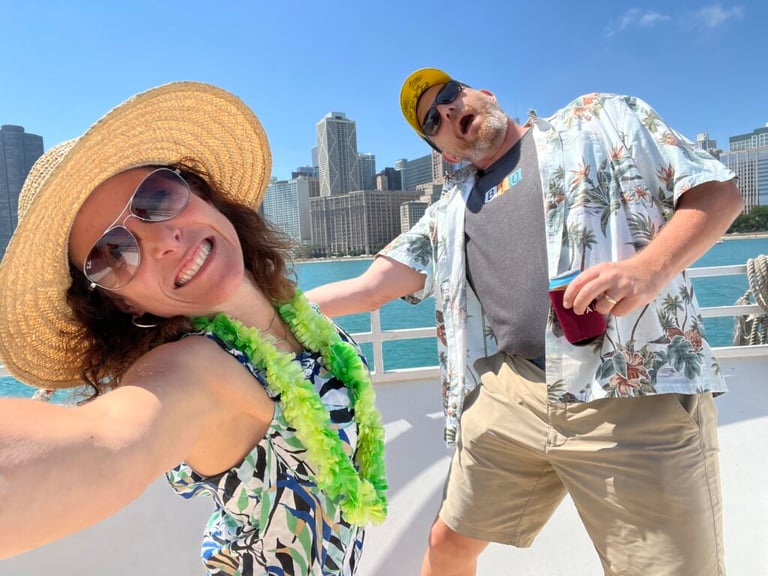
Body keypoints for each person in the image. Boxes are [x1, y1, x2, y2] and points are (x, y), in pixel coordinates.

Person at [306, 68, 744, 576]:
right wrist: (248, 308)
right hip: (513, 392)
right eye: (432, 120)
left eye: (450, 96)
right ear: (445, 151)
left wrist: (647, 270)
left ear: (483, 94)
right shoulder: (449, 209)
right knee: (447, 545)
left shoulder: (597, 118)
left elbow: (719, 195)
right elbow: (369, 287)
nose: (447, 112)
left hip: (630, 388)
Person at [0, 82, 387, 576]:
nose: (163, 239)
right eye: (113, 254)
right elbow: (109, 441)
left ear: (202, 195)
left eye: (158, 196)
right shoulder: (196, 370)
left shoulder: (295, 316)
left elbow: (365, 291)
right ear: (121, 303)